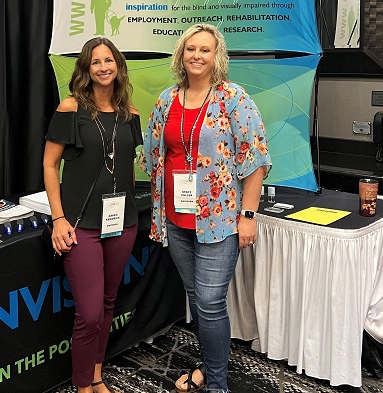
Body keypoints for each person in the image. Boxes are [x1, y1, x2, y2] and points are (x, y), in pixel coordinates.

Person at [138, 24, 272, 393]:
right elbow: (150, 152)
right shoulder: (167, 99)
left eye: (205, 50)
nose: (197, 55)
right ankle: (209, 364)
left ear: (217, 57)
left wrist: (248, 216)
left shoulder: (233, 98)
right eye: (190, 49)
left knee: (211, 302)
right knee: (198, 299)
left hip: (219, 218)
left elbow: (255, 160)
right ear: (181, 55)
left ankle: (216, 384)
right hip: (175, 218)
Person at [43, 37, 142, 393]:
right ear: (85, 69)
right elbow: (49, 164)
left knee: (107, 303)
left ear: (118, 65)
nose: (103, 67)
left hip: (123, 222)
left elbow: (127, 167)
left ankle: (96, 375)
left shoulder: (130, 113)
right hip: (80, 225)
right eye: (95, 62)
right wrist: (58, 218)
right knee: (87, 312)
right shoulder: (70, 108)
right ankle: (83, 386)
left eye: (109, 60)